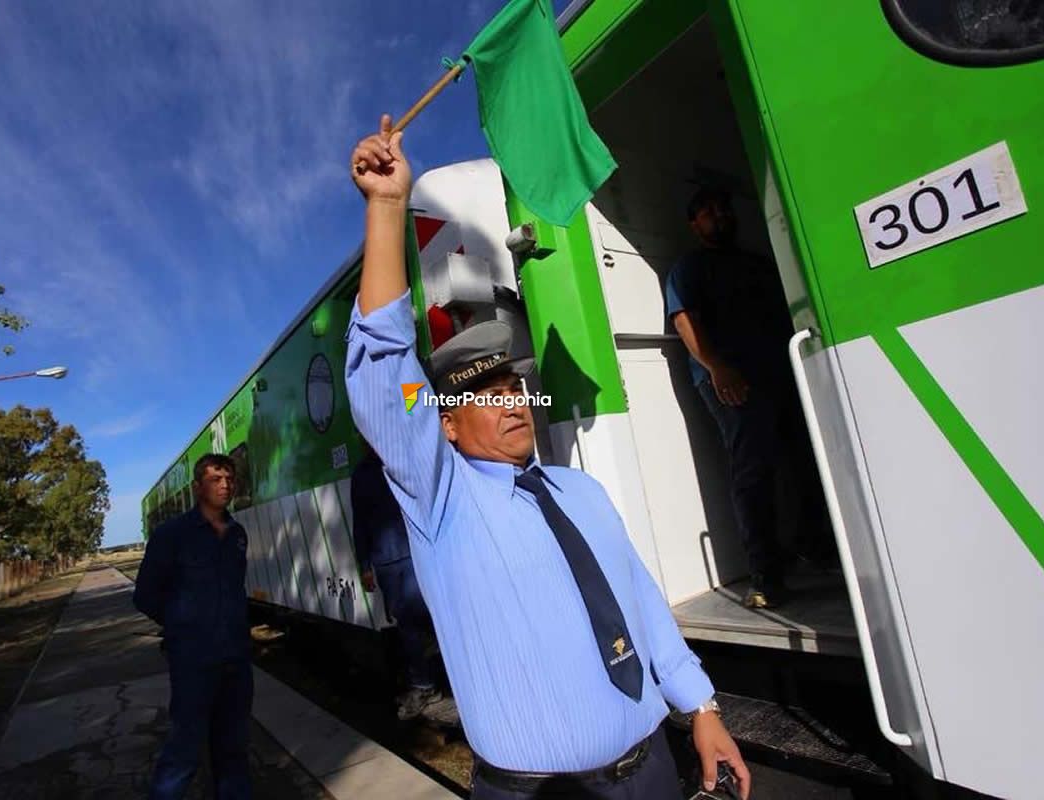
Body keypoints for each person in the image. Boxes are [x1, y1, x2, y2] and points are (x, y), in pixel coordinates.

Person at [346, 116, 751, 800]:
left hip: (653, 771)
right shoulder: (440, 500)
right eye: (487, 394)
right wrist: (387, 208)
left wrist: (702, 707)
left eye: (516, 388)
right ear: (445, 426)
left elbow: (641, 605)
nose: (512, 402)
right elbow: (386, 371)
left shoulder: (578, 491)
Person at [665, 187, 830, 609]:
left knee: (804, 460)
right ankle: (765, 577)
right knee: (752, 472)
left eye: (722, 207)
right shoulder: (690, 267)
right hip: (730, 380)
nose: (719, 214)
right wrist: (717, 367)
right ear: (693, 224)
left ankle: (815, 547)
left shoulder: (757, 264)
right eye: (708, 210)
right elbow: (684, 321)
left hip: (779, 372)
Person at [133, 453, 252, 800]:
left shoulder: (237, 534)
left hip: (236, 660)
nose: (225, 484)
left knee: (234, 751)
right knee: (183, 753)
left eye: (229, 478)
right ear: (197, 486)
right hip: (192, 662)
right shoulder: (171, 535)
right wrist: (182, 626)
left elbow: (235, 588)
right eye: (216, 478)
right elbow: (145, 595)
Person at [351, 441, 444, 721]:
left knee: (430, 618)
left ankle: (453, 679)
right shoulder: (360, 475)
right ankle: (424, 686)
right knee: (406, 625)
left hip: (417, 554)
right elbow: (360, 522)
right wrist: (365, 565)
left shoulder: (404, 461)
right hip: (386, 563)